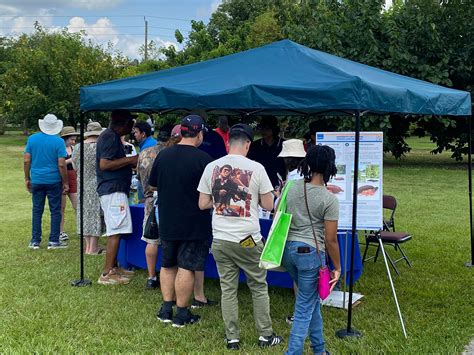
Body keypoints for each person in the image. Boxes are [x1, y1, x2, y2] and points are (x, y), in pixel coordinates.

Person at [198, 123, 284, 350]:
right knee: (258, 286)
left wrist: (221, 202)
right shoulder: (257, 168)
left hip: (221, 239)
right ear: (247, 144)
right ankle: (265, 335)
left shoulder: (211, 167)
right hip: (248, 239)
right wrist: (269, 195)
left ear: (228, 143)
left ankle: (232, 338)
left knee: (228, 289)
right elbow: (268, 204)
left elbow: (202, 203)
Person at [149, 114, 215, 328]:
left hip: (168, 219)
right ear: (199, 134)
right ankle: (182, 314)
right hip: (194, 222)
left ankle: (166, 309)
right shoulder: (204, 160)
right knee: (187, 267)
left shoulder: (163, 155)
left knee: (168, 265)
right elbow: (211, 193)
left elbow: (154, 186)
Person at [281, 145, 341, 355]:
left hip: (287, 251)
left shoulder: (292, 186)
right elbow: (331, 239)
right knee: (304, 308)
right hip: (310, 254)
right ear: (329, 167)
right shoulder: (329, 200)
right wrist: (338, 267)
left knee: (310, 300)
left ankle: (320, 349)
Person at [96, 109, 138, 285]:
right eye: (130, 124)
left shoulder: (112, 137)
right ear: (123, 124)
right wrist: (130, 160)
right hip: (112, 190)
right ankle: (107, 274)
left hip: (116, 189)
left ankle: (114, 267)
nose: (132, 127)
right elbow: (104, 164)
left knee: (119, 229)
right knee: (115, 230)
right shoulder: (109, 137)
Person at [24, 114, 68, 250]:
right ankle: (54, 241)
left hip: (37, 179)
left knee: (37, 210)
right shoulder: (59, 142)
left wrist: (27, 178)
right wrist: (65, 181)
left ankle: (35, 241)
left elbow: (26, 161)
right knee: (55, 210)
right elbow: (61, 164)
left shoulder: (32, 139)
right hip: (53, 180)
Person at [136, 124, 172, 289]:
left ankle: (151, 277)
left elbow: (138, 175)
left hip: (149, 201)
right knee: (169, 242)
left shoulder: (144, 152)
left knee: (151, 239)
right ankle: (169, 273)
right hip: (168, 201)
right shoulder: (170, 154)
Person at [72, 122, 105, 255]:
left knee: (84, 213)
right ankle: (93, 247)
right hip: (97, 183)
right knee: (96, 213)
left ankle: (87, 246)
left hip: (82, 183)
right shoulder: (100, 147)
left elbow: (74, 166)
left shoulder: (78, 147)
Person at [247, 115, 286, 190]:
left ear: (274, 129)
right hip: (260, 183)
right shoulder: (255, 145)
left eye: (267, 128)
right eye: (262, 128)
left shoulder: (283, 144)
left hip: (280, 183)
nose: (263, 131)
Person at [59, 126, 79, 242]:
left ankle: (81, 228)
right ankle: (61, 231)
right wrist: (70, 160)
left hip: (73, 177)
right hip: (62, 177)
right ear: (65, 138)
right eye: (71, 139)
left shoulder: (74, 148)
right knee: (61, 207)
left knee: (77, 205)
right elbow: (59, 164)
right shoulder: (59, 148)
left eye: (74, 139)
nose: (73, 141)